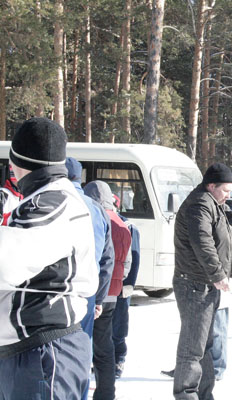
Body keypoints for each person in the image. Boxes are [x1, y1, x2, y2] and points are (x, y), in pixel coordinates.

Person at [0, 117, 98, 398]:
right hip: (30, 350)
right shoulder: (44, 198)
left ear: (15, 162)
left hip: (42, 352)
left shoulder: (52, 202)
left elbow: (6, 262)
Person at [172, 162, 232, 399]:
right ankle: (186, 394)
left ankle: (204, 394)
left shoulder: (213, 204)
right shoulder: (199, 204)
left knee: (205, 345)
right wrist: (218, 274)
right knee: (193, 347)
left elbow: (222, 234)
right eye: (226, 190)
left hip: (205, 283)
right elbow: (202, 242)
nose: (228, 195)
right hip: (194, 283)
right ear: (212, 186)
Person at [66, 157, 116, 398]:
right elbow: (107, 259)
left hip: (58, 292)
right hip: (87, 293)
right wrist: (99, 299)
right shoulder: (97, 209)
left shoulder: (55, 201)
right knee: (82, 352)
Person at [85, 180, 132, 400]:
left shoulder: (94, 218)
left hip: (94, 291)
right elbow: (128, 261)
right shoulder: (123, 223)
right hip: (113, 292)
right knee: (105, 347)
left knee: (83, 343)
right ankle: (106, 392)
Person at [111, 194, 141, 379]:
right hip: (105, 284)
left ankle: (118, 359)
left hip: (121, 285)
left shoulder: (128, 226)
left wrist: (129, 285)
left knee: (118, 326)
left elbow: (135, 258)